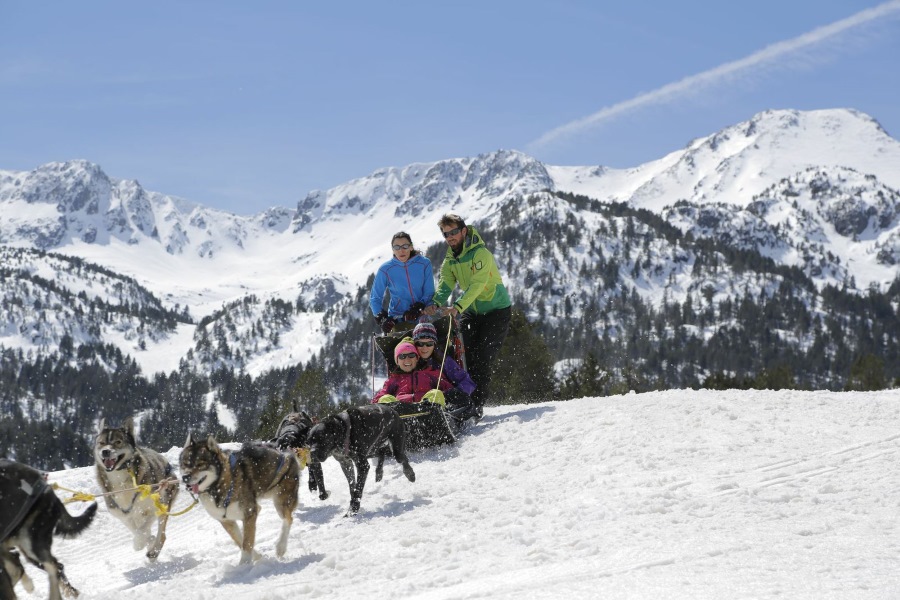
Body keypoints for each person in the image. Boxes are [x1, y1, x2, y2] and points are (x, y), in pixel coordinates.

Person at [424, 214, 511, 420]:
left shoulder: (481, 253)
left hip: (496, 311)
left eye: (454, 232)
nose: (450, 237)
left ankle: (477, 405)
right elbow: (446, 283)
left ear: (464, 231)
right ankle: (463, 401)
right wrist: (436, 302)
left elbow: (477, 284)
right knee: (462, 355)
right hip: (472, 311)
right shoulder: (451, 257)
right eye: (446, 234)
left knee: (481, 357)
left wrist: (458, 306)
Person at [369, 231, 435, 334]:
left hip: (422, 313)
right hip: (397, 317)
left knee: (426, 343)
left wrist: (419, 307)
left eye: (405, 246)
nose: (401, 251)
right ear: (393, 250)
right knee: (402, 348)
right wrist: (382, 318)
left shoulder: (424, 263)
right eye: (397, 247)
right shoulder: (386, 269)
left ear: (411, 247)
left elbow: (429, 291)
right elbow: (375, 298)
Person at [411, 322, 476, 414]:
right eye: (420, 344)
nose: (424, 348)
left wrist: (456, 393)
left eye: (429, 344)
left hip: (442, 403)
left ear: (434, 344)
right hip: (415, 405)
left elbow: (467, 381)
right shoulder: (408, 361)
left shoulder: (443, 361)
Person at [372, 340, 454, 404]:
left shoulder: (430, 374)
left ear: (417, 358)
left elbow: (450, 390)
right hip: (401, 411)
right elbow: (378, 398)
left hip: (427, 409)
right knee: (385, 399)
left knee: (436, 394)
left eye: (411, 355)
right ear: (397, 361)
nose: (407, 360)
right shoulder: (394, 380)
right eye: (402, 356)